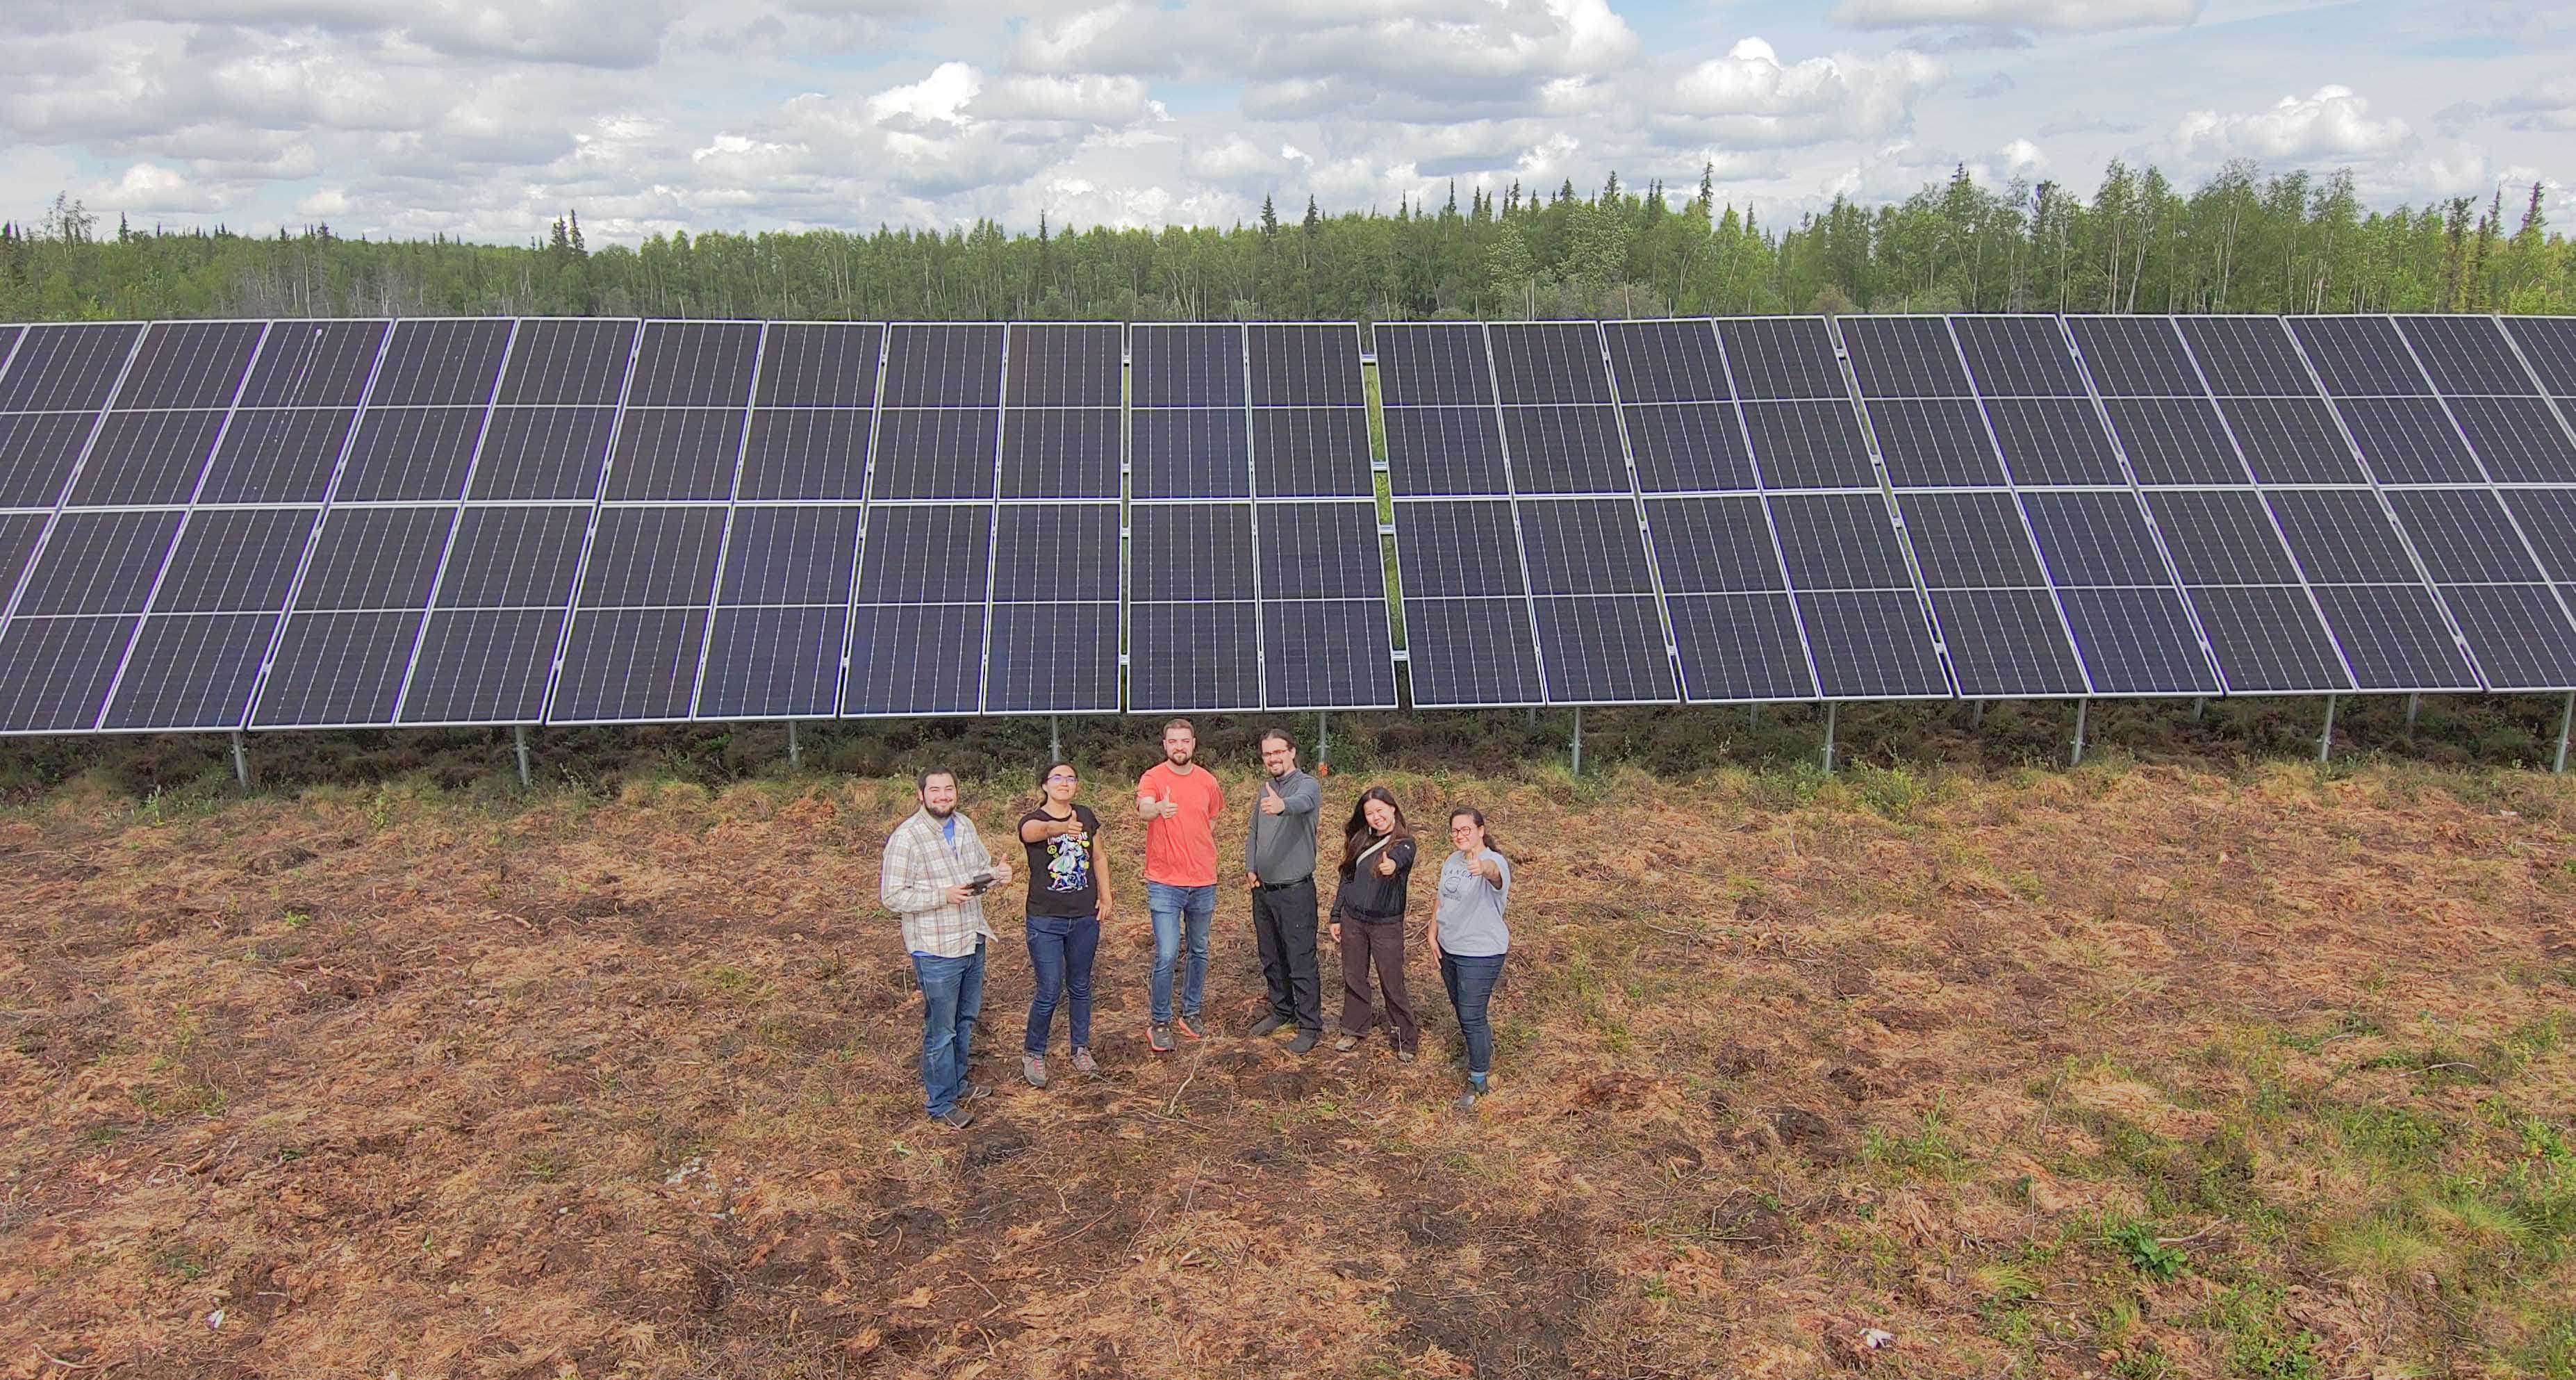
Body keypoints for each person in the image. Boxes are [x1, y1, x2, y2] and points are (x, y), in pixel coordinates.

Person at [879, 768, 1012, 1129]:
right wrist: (942, 896)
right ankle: (941, 1103)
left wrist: (995, 875)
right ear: (921, 795)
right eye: (934, 790)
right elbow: (892, 896)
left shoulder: (965, 825)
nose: (943, 796)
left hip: (972, 937)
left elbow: (976, 873)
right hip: (936, 948)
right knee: (942, 1030)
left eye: (949, 789)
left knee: (965, 1021)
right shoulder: (907, 838)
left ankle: (958, 1083)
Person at [1018, 760, 1109, 1087]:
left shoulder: (1085, 815)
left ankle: (1080, 1048)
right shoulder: (1033, 821)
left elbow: (1098, 856)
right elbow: (1033, 833)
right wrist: (1056, 828)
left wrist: (1107, 895)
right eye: (1057, 778)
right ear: (1044, 785)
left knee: (1081, 985)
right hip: (1045, 919)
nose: (1064, 783)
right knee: (1049, 988)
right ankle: (1034, 1052)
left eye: (1070, 778)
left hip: (1085, 916)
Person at [1136, 718, 1223, 1053]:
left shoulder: (1207, 781)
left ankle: (1191, 1011)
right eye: (1173, 742)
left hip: (1203, 880)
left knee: (1199, 950)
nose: (1179, 747)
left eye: (1184, 741)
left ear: (1193, 744)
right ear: (1165, 745)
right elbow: (1144, 808)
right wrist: (1157, 809)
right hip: (1165, 882)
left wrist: (1196, 844)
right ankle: (1159, 1021)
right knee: (1168, 953)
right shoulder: (1154, 778)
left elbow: (1212, 819)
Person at [1244, 728, 1324, 1053]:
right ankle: (1282, 1010)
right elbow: (1253, 829)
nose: (1273, 759)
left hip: (1295, 892)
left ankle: (1309, 1025)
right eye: (1267, 754)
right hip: (1264, 890)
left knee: (1300, 958)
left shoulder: (1307, 785)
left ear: (1292, 752)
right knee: (1272, 957)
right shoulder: (1265, 789)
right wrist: (1251, 865)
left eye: (1279, 752)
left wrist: (1282, 806)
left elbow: (1301, 804)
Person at [1330, 786, 1418, 1060]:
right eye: (1370, 813)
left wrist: (1391, 865)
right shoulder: (1360, 840)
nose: (1376, 817)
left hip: (1386, 924)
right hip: (1353, 919)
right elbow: (1347, 878)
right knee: (1354, 976)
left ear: (1393, 808)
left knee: (1392, 981)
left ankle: (1406, 1039)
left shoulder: (1404, 843)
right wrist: (1336, 915)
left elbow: (1400, 860)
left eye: (1380, 810)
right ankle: (1353, 1028)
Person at [1431, 807, 1510, 1110]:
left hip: (1480, 952)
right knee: (1462, 1008)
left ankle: (1479, 1081)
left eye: (1466, 829)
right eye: (1455, 830)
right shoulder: (1451, 860)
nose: (1460, 835)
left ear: (1480, 830)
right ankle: (1477, 1050)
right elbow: (1441, 898)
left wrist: (1483, 867)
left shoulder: (1494, 861)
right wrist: (1432, 931)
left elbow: (1494, 874)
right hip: (1450, 947)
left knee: (1472, 1013)